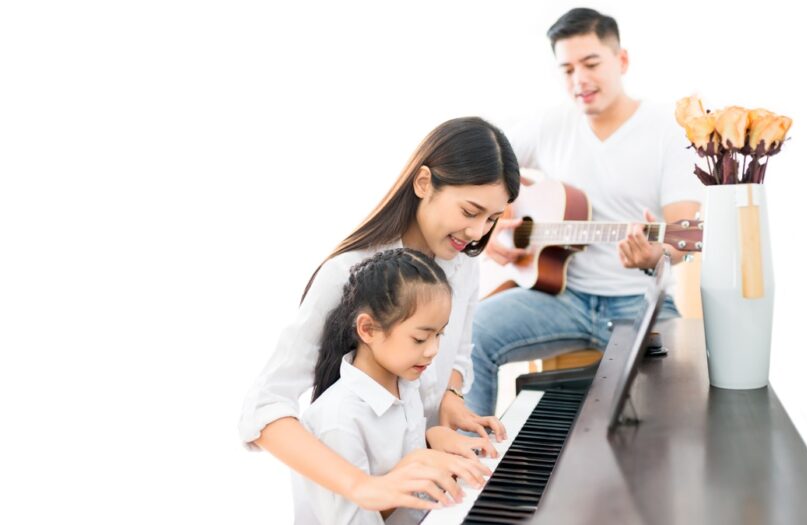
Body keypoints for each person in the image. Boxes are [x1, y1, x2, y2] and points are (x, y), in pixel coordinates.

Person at [239, 117, 519, 513]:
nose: (478, 233)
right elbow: (263, 408)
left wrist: (451, 399)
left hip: (423, 495)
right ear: (423, 183)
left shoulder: (463, 263)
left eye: (492, 218)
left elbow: (457, 356)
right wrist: (364, 488)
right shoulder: (347, 274)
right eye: (470, 211)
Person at [466, 8, 704, 417]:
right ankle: (468, 452)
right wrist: (487, 233)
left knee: (681, 389)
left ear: (622, 60)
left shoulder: (668, 130)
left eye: (591, 64)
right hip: (562, 297)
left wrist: (657, 254)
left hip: (639, 302)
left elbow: (683, 236)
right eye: (567, 69)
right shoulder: (548, 125)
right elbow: (481, 171)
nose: (579, 80)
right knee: (468, 335)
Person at [297, 248, 500, 524]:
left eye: (439, 335)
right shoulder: (338, 420)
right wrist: (411, 470)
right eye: (420, 339)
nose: (433, 350)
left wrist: (433, 440)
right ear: (368, 329)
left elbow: (398, 449)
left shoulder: (406, 380)